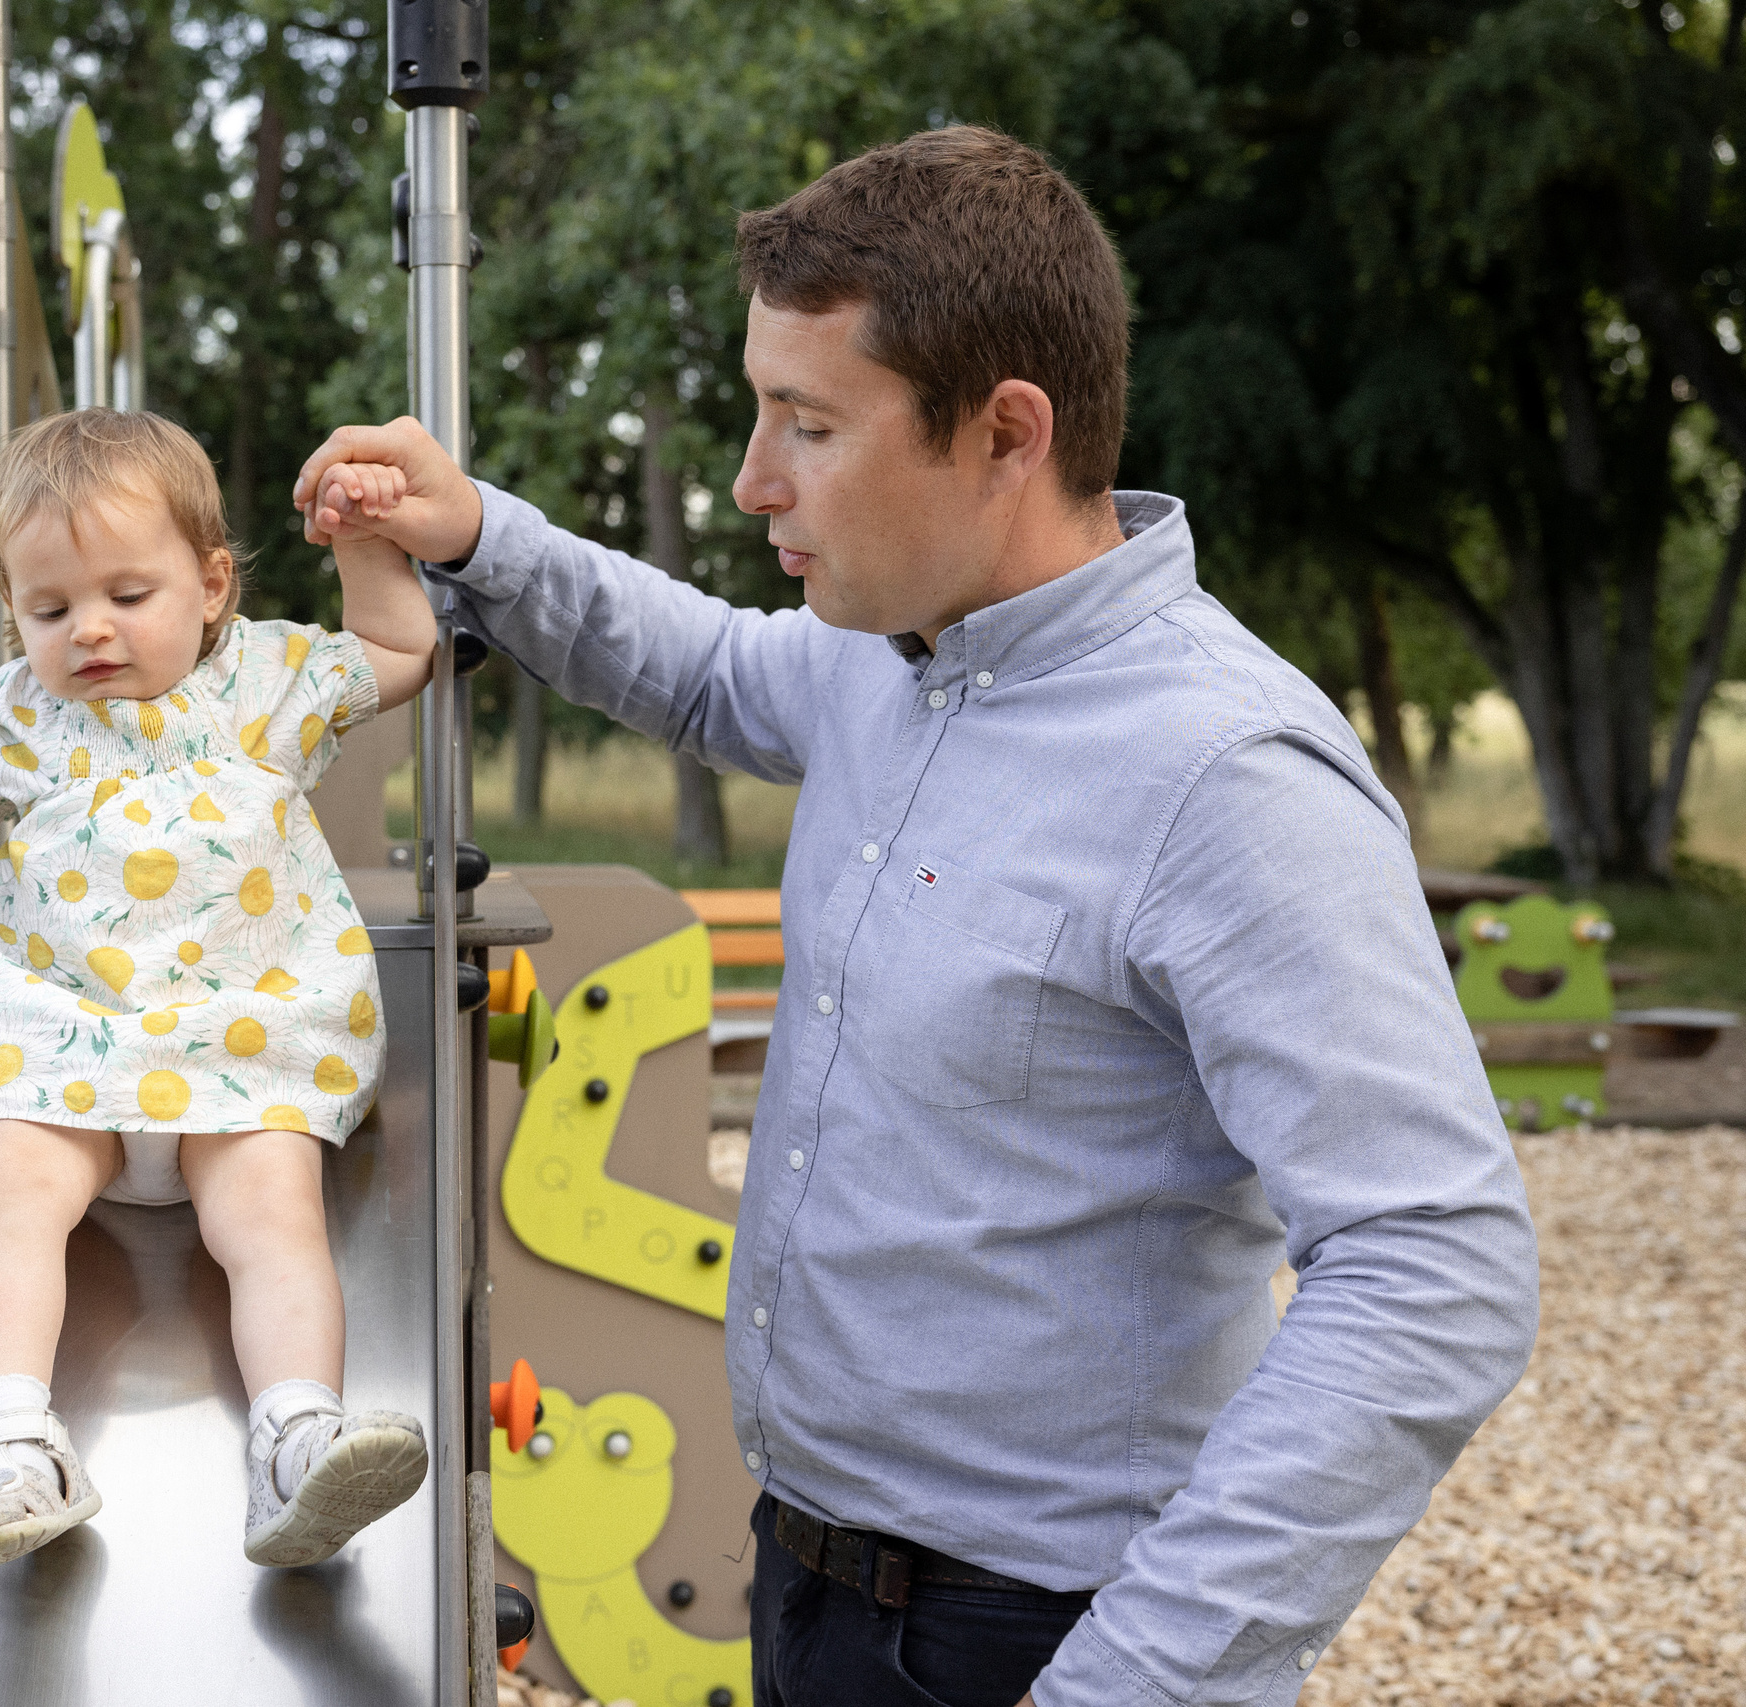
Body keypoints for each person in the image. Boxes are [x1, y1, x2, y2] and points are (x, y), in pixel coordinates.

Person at [297, 127, 1540, 1707]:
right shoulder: (900, 652)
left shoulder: (1227, 776)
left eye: (808, 424)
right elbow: (703, 668)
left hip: (1034, 1637)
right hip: (810, 1572)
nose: (755, 479)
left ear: (1007, 433)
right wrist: (480, 534)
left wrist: (1140, 1677)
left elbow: (1437, 1259)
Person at [0, 407, 436, 1576]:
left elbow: (396, 653)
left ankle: (295, 1438)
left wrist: (363, 544)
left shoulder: (268, 685)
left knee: (274, 1214)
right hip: (60, 1047)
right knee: (6, 1195)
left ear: (213, 583)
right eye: (50, 608)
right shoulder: (20, 715)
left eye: (129, 595)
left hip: (243, 1048)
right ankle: (10, 1444)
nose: (89, 632)